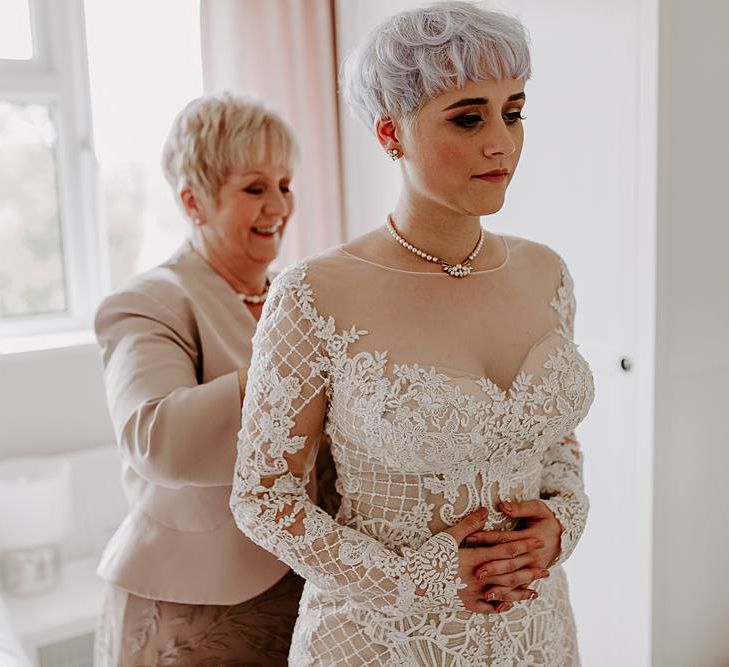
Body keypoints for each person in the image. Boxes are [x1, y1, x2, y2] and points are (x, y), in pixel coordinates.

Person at [230, 2, 595, 665]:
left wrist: (558, 522)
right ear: (389, 132)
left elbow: (554, 445)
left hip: (533, 632)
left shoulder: (546, 273)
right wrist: (413, 578)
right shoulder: (315, 294)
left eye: (512, 111)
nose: (500, 142)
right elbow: (263, 496)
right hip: (378, 641)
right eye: (467, 116)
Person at [93, 93, 333, 666]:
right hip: (191, 604)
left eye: (285, 184)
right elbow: (154, 436)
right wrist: (278, 376)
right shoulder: (149, 301)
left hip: (307, 589)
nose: (277, 204)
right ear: (193, 201)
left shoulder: (298, 301)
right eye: (254, 188)